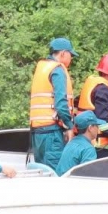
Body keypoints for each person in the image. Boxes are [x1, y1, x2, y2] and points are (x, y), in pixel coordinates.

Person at [28, 37, 75, 171]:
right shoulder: (57, 70)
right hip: (53, 133)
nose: (71, 58)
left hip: (37, 133)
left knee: (42, 173)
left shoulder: (41, 68)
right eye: (70, 55)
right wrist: (69, 127)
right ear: (62, 54)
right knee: (55, 175)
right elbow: (61, 103)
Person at [53, 110, 108, 176]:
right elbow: (87, 177)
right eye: (96, 125)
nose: (98, 128)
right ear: (90, 128)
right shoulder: (88, 149)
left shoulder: (72, 142)